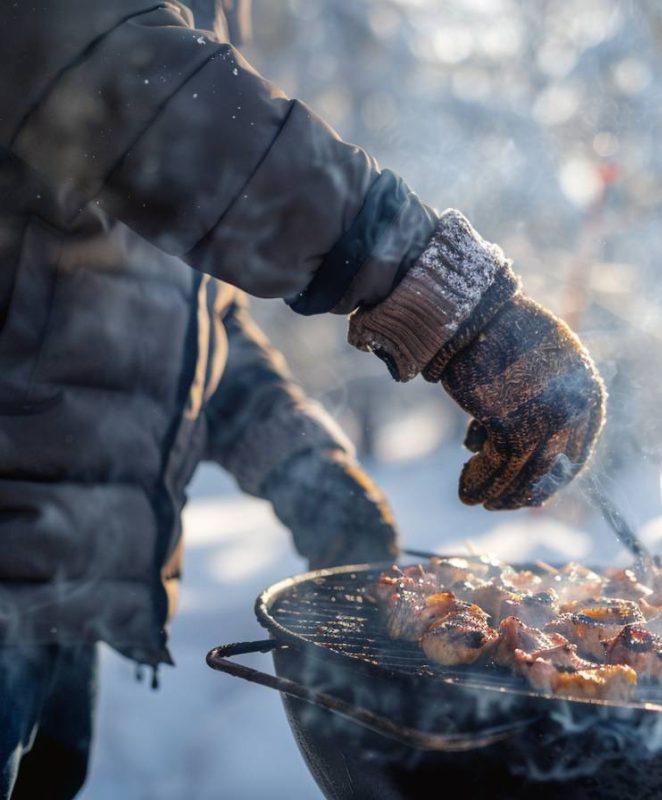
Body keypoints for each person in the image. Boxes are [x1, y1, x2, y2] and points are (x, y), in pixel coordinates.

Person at [0, 2, 606, 797]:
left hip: (52, 585)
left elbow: (166, 313)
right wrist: (442, 292)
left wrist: (303, 467)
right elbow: (127, 85)